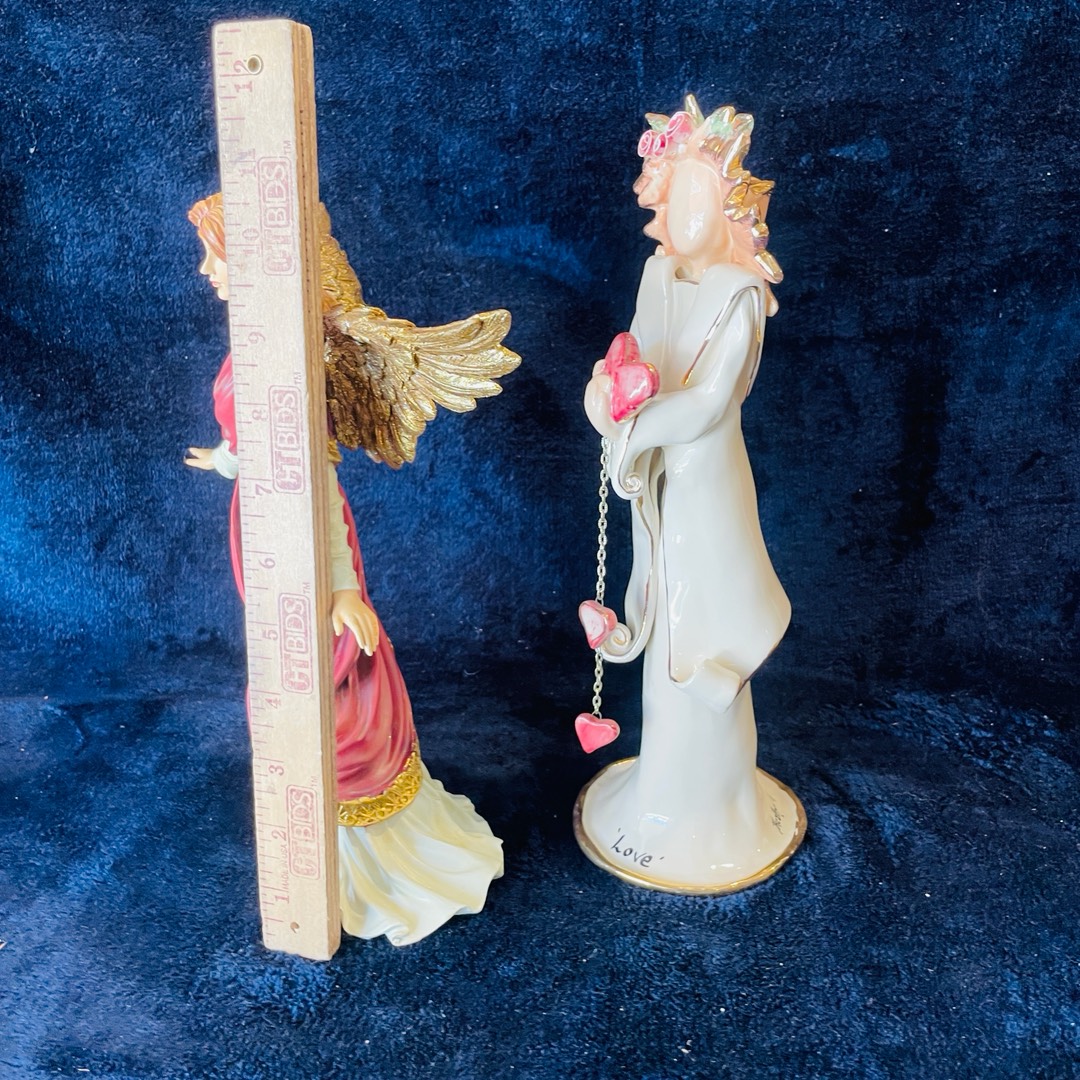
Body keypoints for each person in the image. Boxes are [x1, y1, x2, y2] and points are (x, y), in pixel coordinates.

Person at [186, 193, 511, 944]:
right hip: (262, 530)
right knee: (285, 677)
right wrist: (227, 460)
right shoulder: (257, 350)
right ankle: (315, 841)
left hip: (305, 540)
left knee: (330, 695)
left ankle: (365, 861)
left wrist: (338, 587)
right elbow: (250, 441)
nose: (205, 270)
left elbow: (317, 486)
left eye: (216, 254)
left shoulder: (296, 366)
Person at [576, 98, 805, 893]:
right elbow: (634, 359)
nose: (684, 216)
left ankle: (712, 810)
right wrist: (605, 395)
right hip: (662, 481)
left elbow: (708, 402)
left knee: (699, 617)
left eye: (700, 199)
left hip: (704, 483)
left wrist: (634, 429)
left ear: (731, 209)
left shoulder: (739, 296)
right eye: (674, 200)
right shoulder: (657, 277)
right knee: (662, 603)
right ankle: (661, 795)